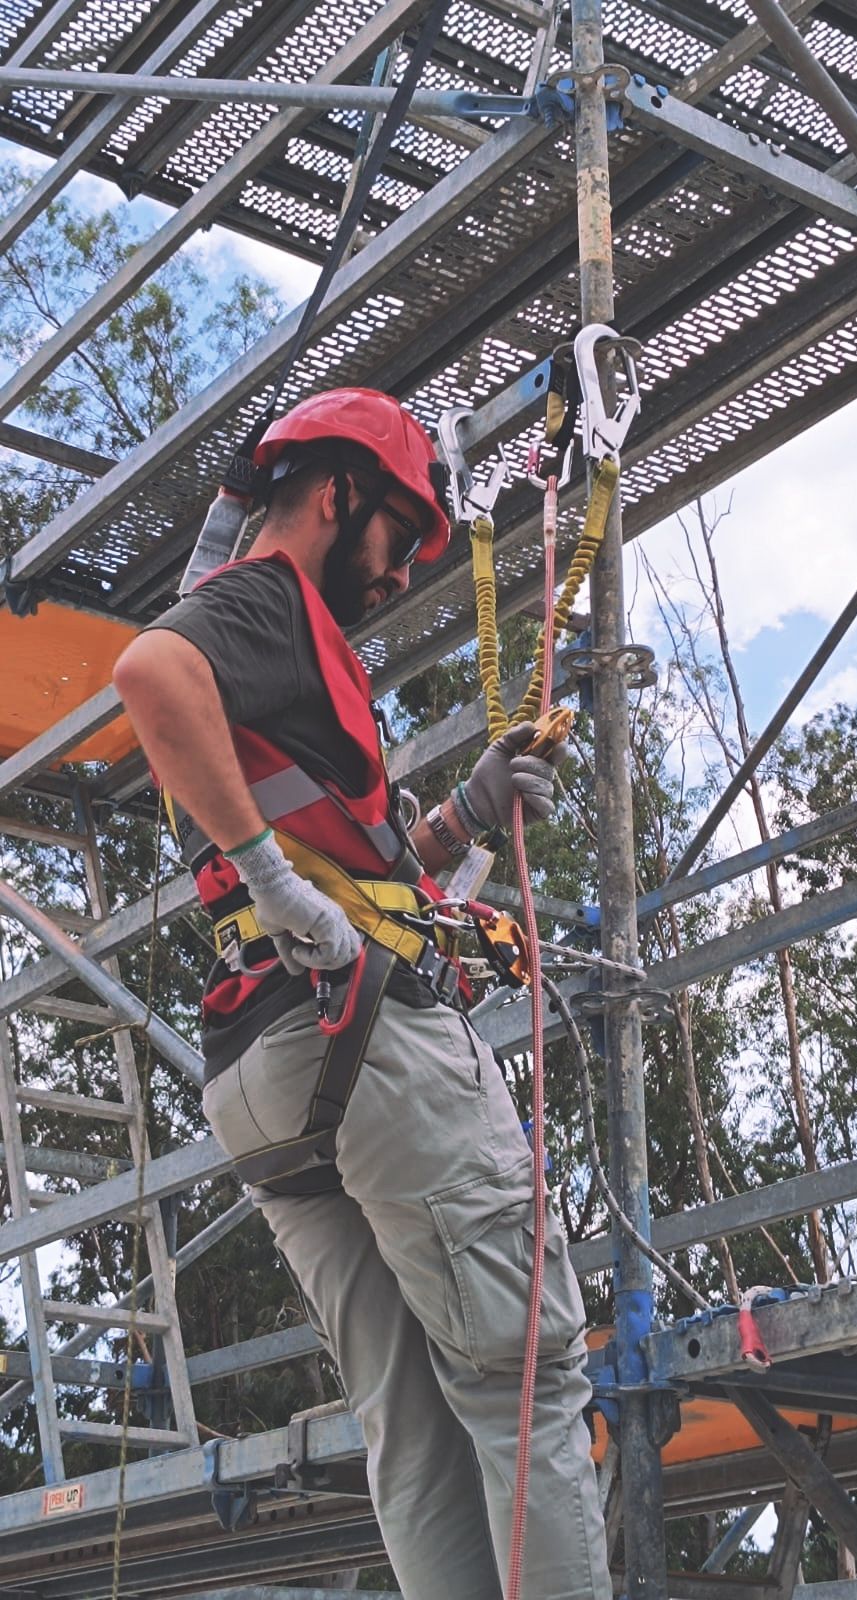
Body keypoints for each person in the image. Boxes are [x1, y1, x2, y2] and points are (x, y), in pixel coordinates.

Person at [113, 388, 611, 1600]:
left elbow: (355, 861)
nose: (394, 577)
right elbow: (148, 669)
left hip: (266, 1071)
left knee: (418, 1422)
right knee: (524, 1374)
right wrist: (286, 889)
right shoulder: (268, 608)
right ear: (335, 498)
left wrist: (463, 816)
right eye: (396, 535)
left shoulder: (274, 649)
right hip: (362, 1036)